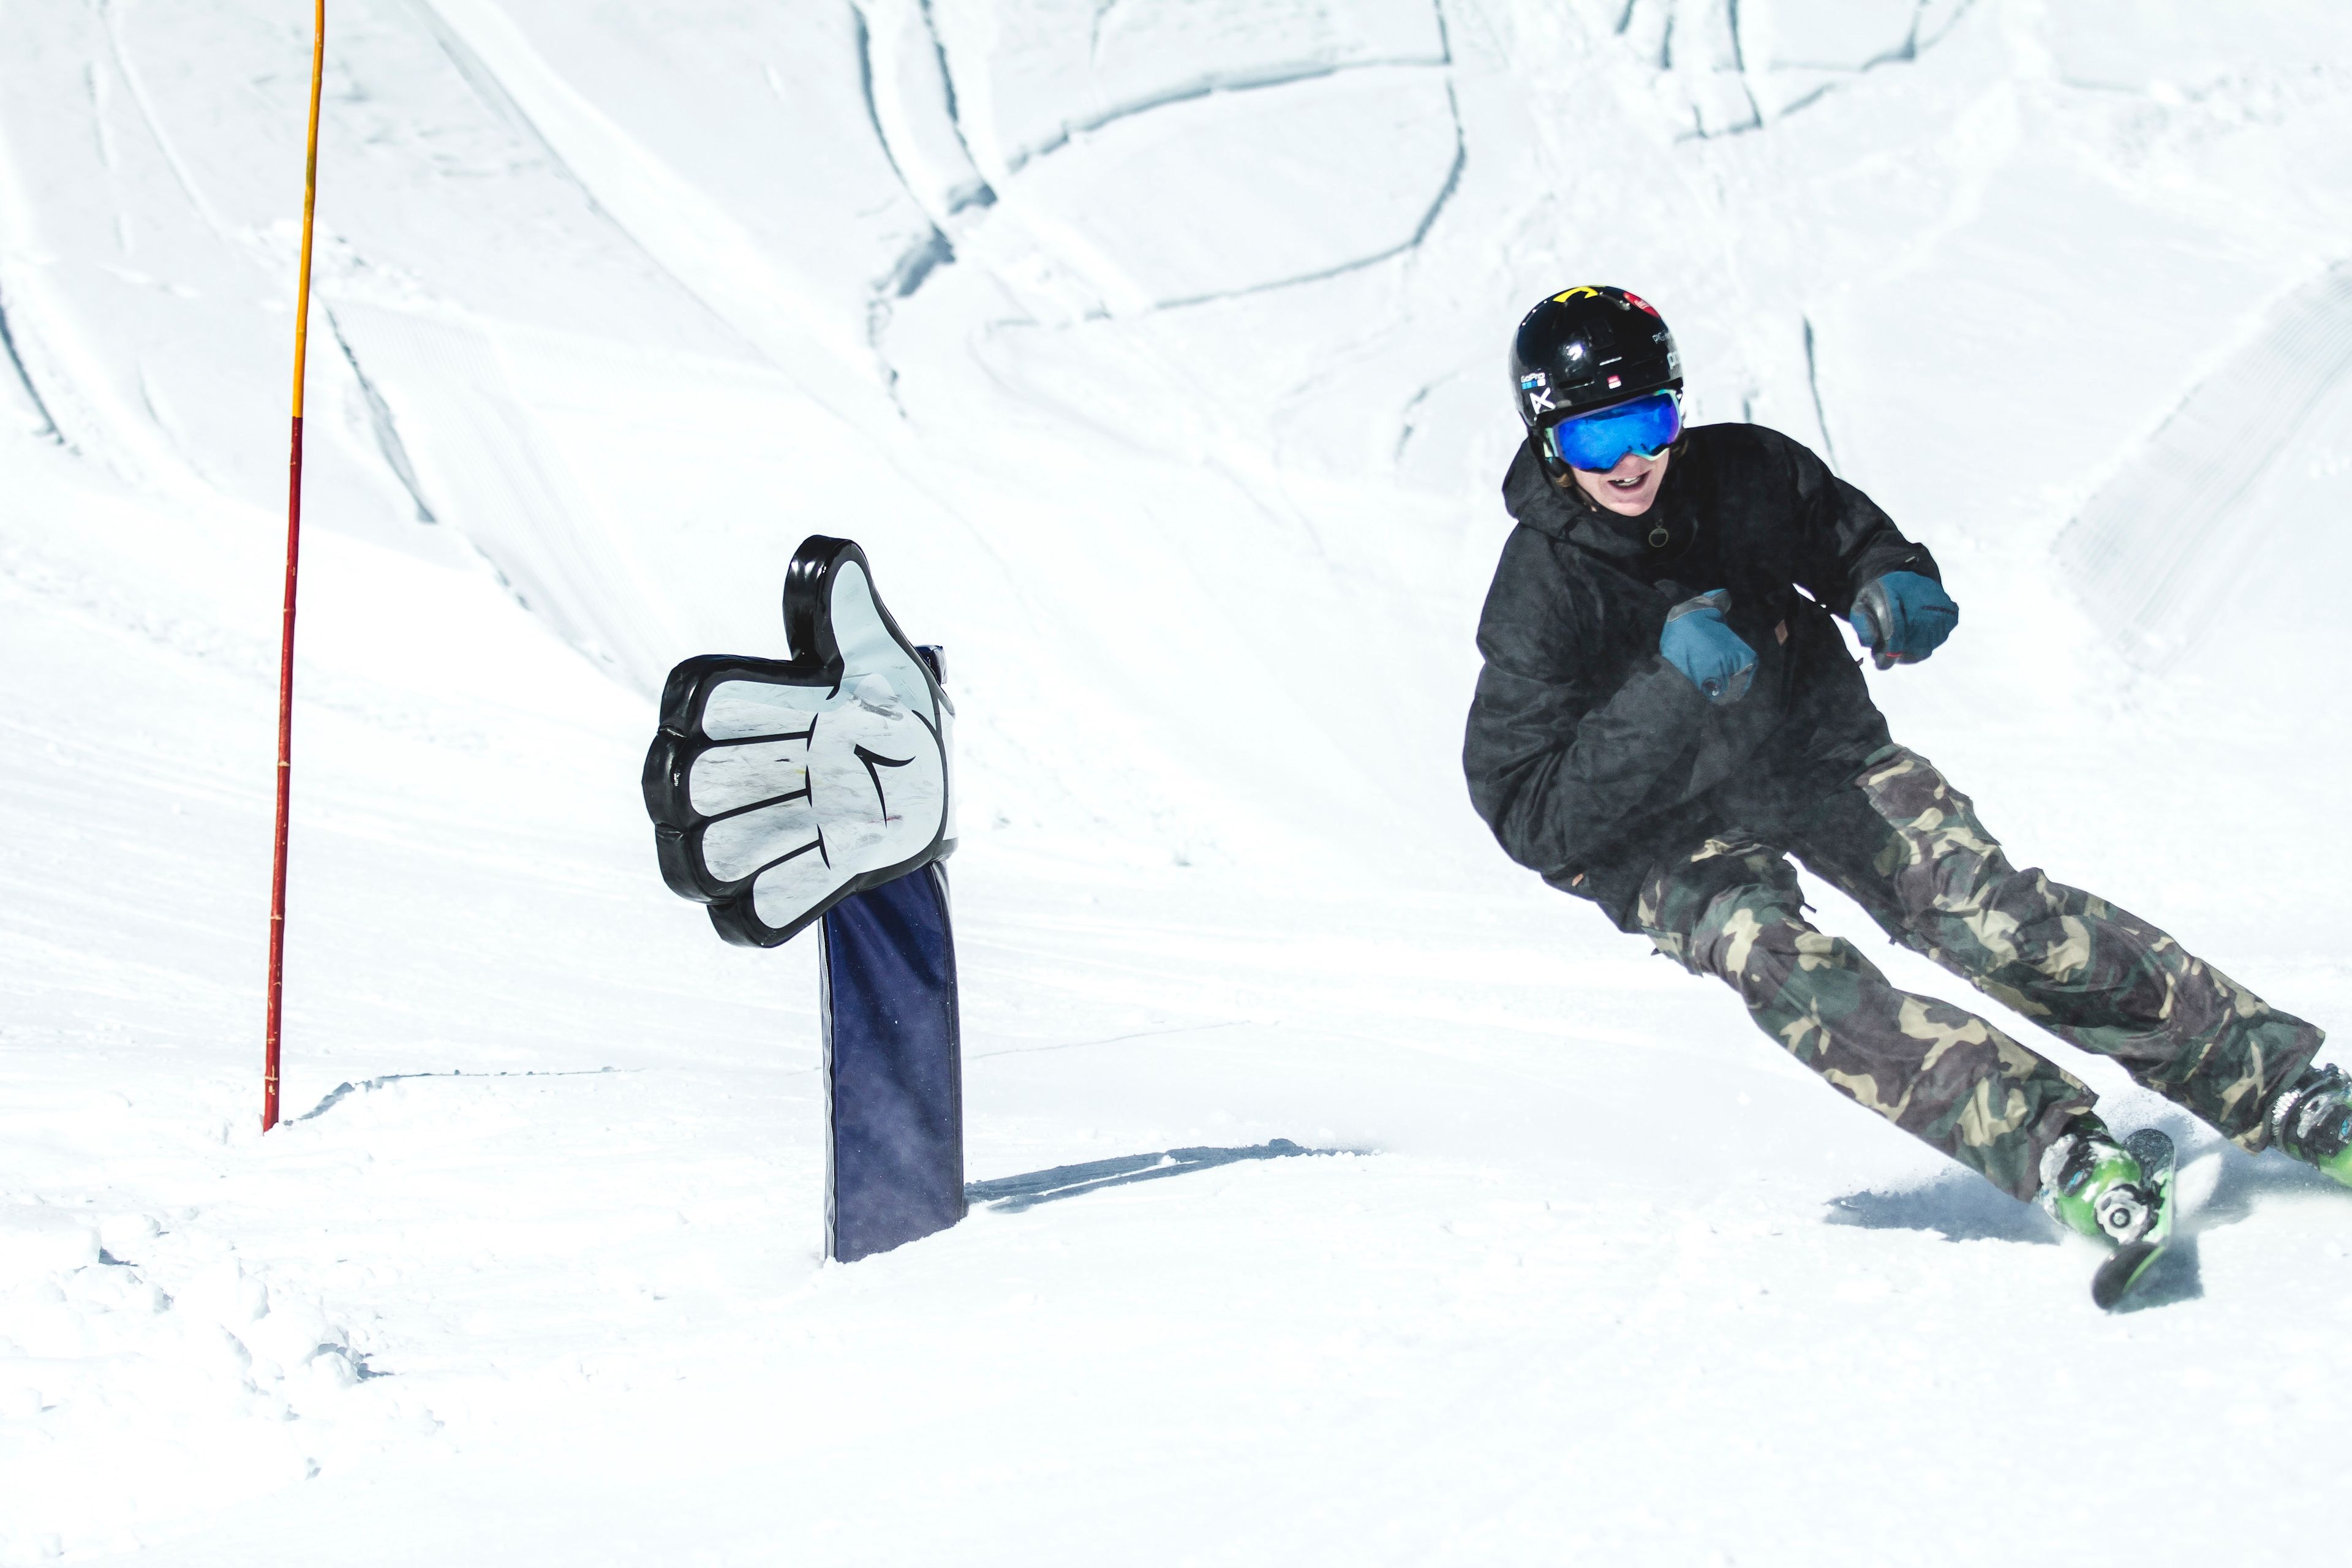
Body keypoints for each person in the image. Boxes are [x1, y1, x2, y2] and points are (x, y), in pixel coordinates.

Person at [1462, 284, 2345, 1245]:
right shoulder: (1539, 591)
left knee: (1995, 920)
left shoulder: (1747, 471)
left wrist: (1890, 581)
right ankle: (2053, 1145)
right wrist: (1667, 695)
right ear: (1549, 440)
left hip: (1812, 753)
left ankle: (2285, 1090)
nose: (1631, 462)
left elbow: (1849, 539)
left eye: (1649, 424)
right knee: (1787, 968)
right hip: (1659, 838)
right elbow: (1528, 810)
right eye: (1596, 439)